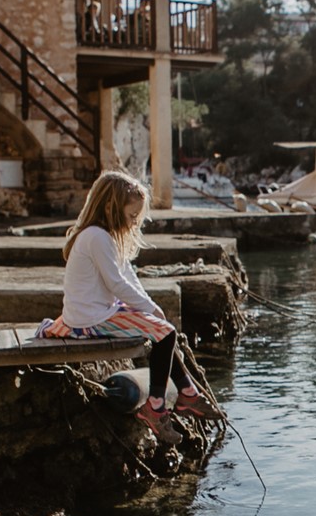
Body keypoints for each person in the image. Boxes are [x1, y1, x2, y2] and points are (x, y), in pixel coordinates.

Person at [40, 170, 214, 444]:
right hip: (91, 318)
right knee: (166, 334)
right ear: (110, 207)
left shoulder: (104, 236)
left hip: (96, 311)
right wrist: (149, 308)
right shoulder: (96, 236)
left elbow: (128, 276)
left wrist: (149, 308)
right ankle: (156, 407)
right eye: (132, 216)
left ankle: (188, 394)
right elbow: (117, 283)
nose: (134, 223)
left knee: (163, 330)